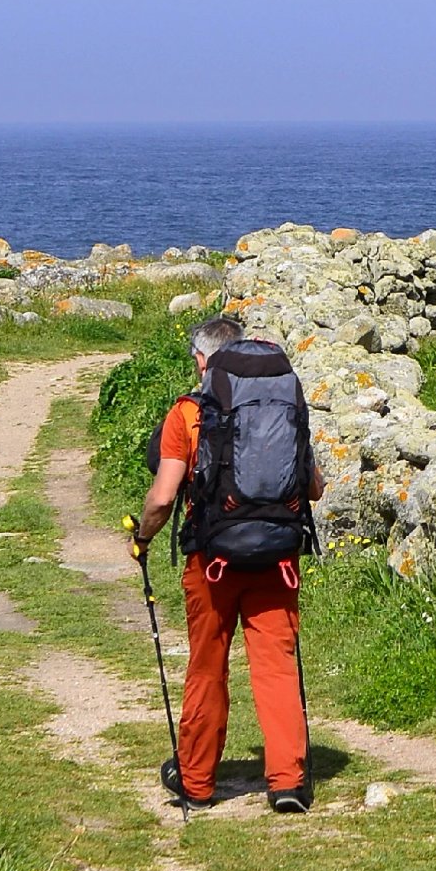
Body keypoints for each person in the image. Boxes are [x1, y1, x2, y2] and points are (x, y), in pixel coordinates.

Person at [130, 316, 323, 813]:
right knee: (276, 668)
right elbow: (315, 486)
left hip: (212, 560)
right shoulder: (282, 406)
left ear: (202, 360)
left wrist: (142, 538)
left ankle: (196, 782)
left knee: (207, 667)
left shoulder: (189, 413)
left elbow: (162, 498)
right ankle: (286, 783)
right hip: (277, 556)